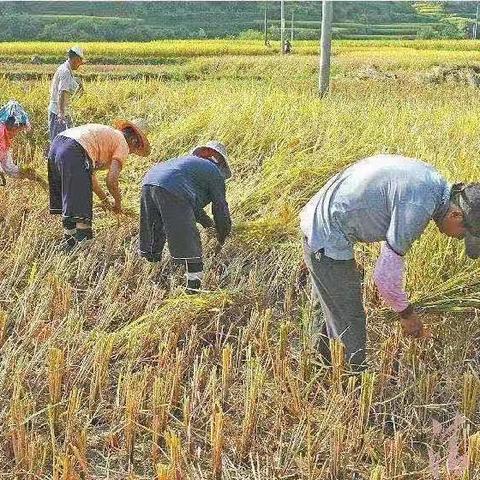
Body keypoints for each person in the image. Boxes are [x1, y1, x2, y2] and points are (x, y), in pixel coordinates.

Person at [300, 154, 480, 371]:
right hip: (326, 232)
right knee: (350, 319)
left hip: (320, 214)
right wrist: (407, 315)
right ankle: (351, 382)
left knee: (334, 305)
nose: (458, 239)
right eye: (463, 235)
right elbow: (384, 278)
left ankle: (321, 366)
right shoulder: (420, 205)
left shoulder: (433, 182)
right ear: (455, 215)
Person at [139, 141, 232, 293]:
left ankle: (150, 278)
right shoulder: (214, 173)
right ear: (219, 162)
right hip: (172, 186)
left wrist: (208, 225)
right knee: (188, 237)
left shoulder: (187, 166)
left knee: (153, 229)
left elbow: (192, 206)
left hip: (149, 181)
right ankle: (193, 289)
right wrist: (223, 235)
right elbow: (220, 208)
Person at [48, 119, 150, 250]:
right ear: (134, 141)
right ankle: (84, 249)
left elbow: (89, 179)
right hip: (74, 150)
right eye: (134, 150)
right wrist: (118, 203)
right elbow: (111, 181)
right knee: (81, 207)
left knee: (70, 200)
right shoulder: (123, 144)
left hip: (57, 146)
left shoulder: (106, 136)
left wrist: (105, 200)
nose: (130, 153)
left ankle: (70, 245)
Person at [0, 100, 44, 186]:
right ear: (13, 126)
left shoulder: (6, 140)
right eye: (18, 130)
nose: (17, 133)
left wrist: (25, 174)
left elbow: (9, 167)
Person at [48, 46, 85, 141]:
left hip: (61, 111)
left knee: (63, 141)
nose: (79, 65)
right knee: (57, 141)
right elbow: (62, 92)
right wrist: (61, 113)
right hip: (57, 112)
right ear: (76, 59)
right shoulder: (65, 71)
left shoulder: (67, 70)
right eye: (80, 62)